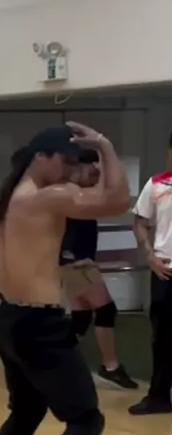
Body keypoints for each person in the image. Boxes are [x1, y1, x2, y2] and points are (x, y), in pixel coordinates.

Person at [0, 124, 130, 435]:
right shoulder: (45, 197)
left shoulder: (6, 202)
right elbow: (117, 201)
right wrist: (106, 146)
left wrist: (33, 271)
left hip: (10, 318)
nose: (68, 170)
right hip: (38, 325)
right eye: (64, 161)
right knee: (85, 420)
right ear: (40, 157)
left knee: (25, 413)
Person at [60, 149, 137, 390]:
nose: (95, 176)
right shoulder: (68, 194)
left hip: (76, 261)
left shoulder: (80, 193)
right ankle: (110, 366)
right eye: (91, 171)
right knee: (105, 309)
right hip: (75, 263)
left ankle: (59, 362)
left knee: (82, 317)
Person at [129, 135, 172, 415]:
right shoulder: (156, 184)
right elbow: (140, 222)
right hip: (166, 271)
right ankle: (158, 397)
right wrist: (150, 257)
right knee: (164, 337)